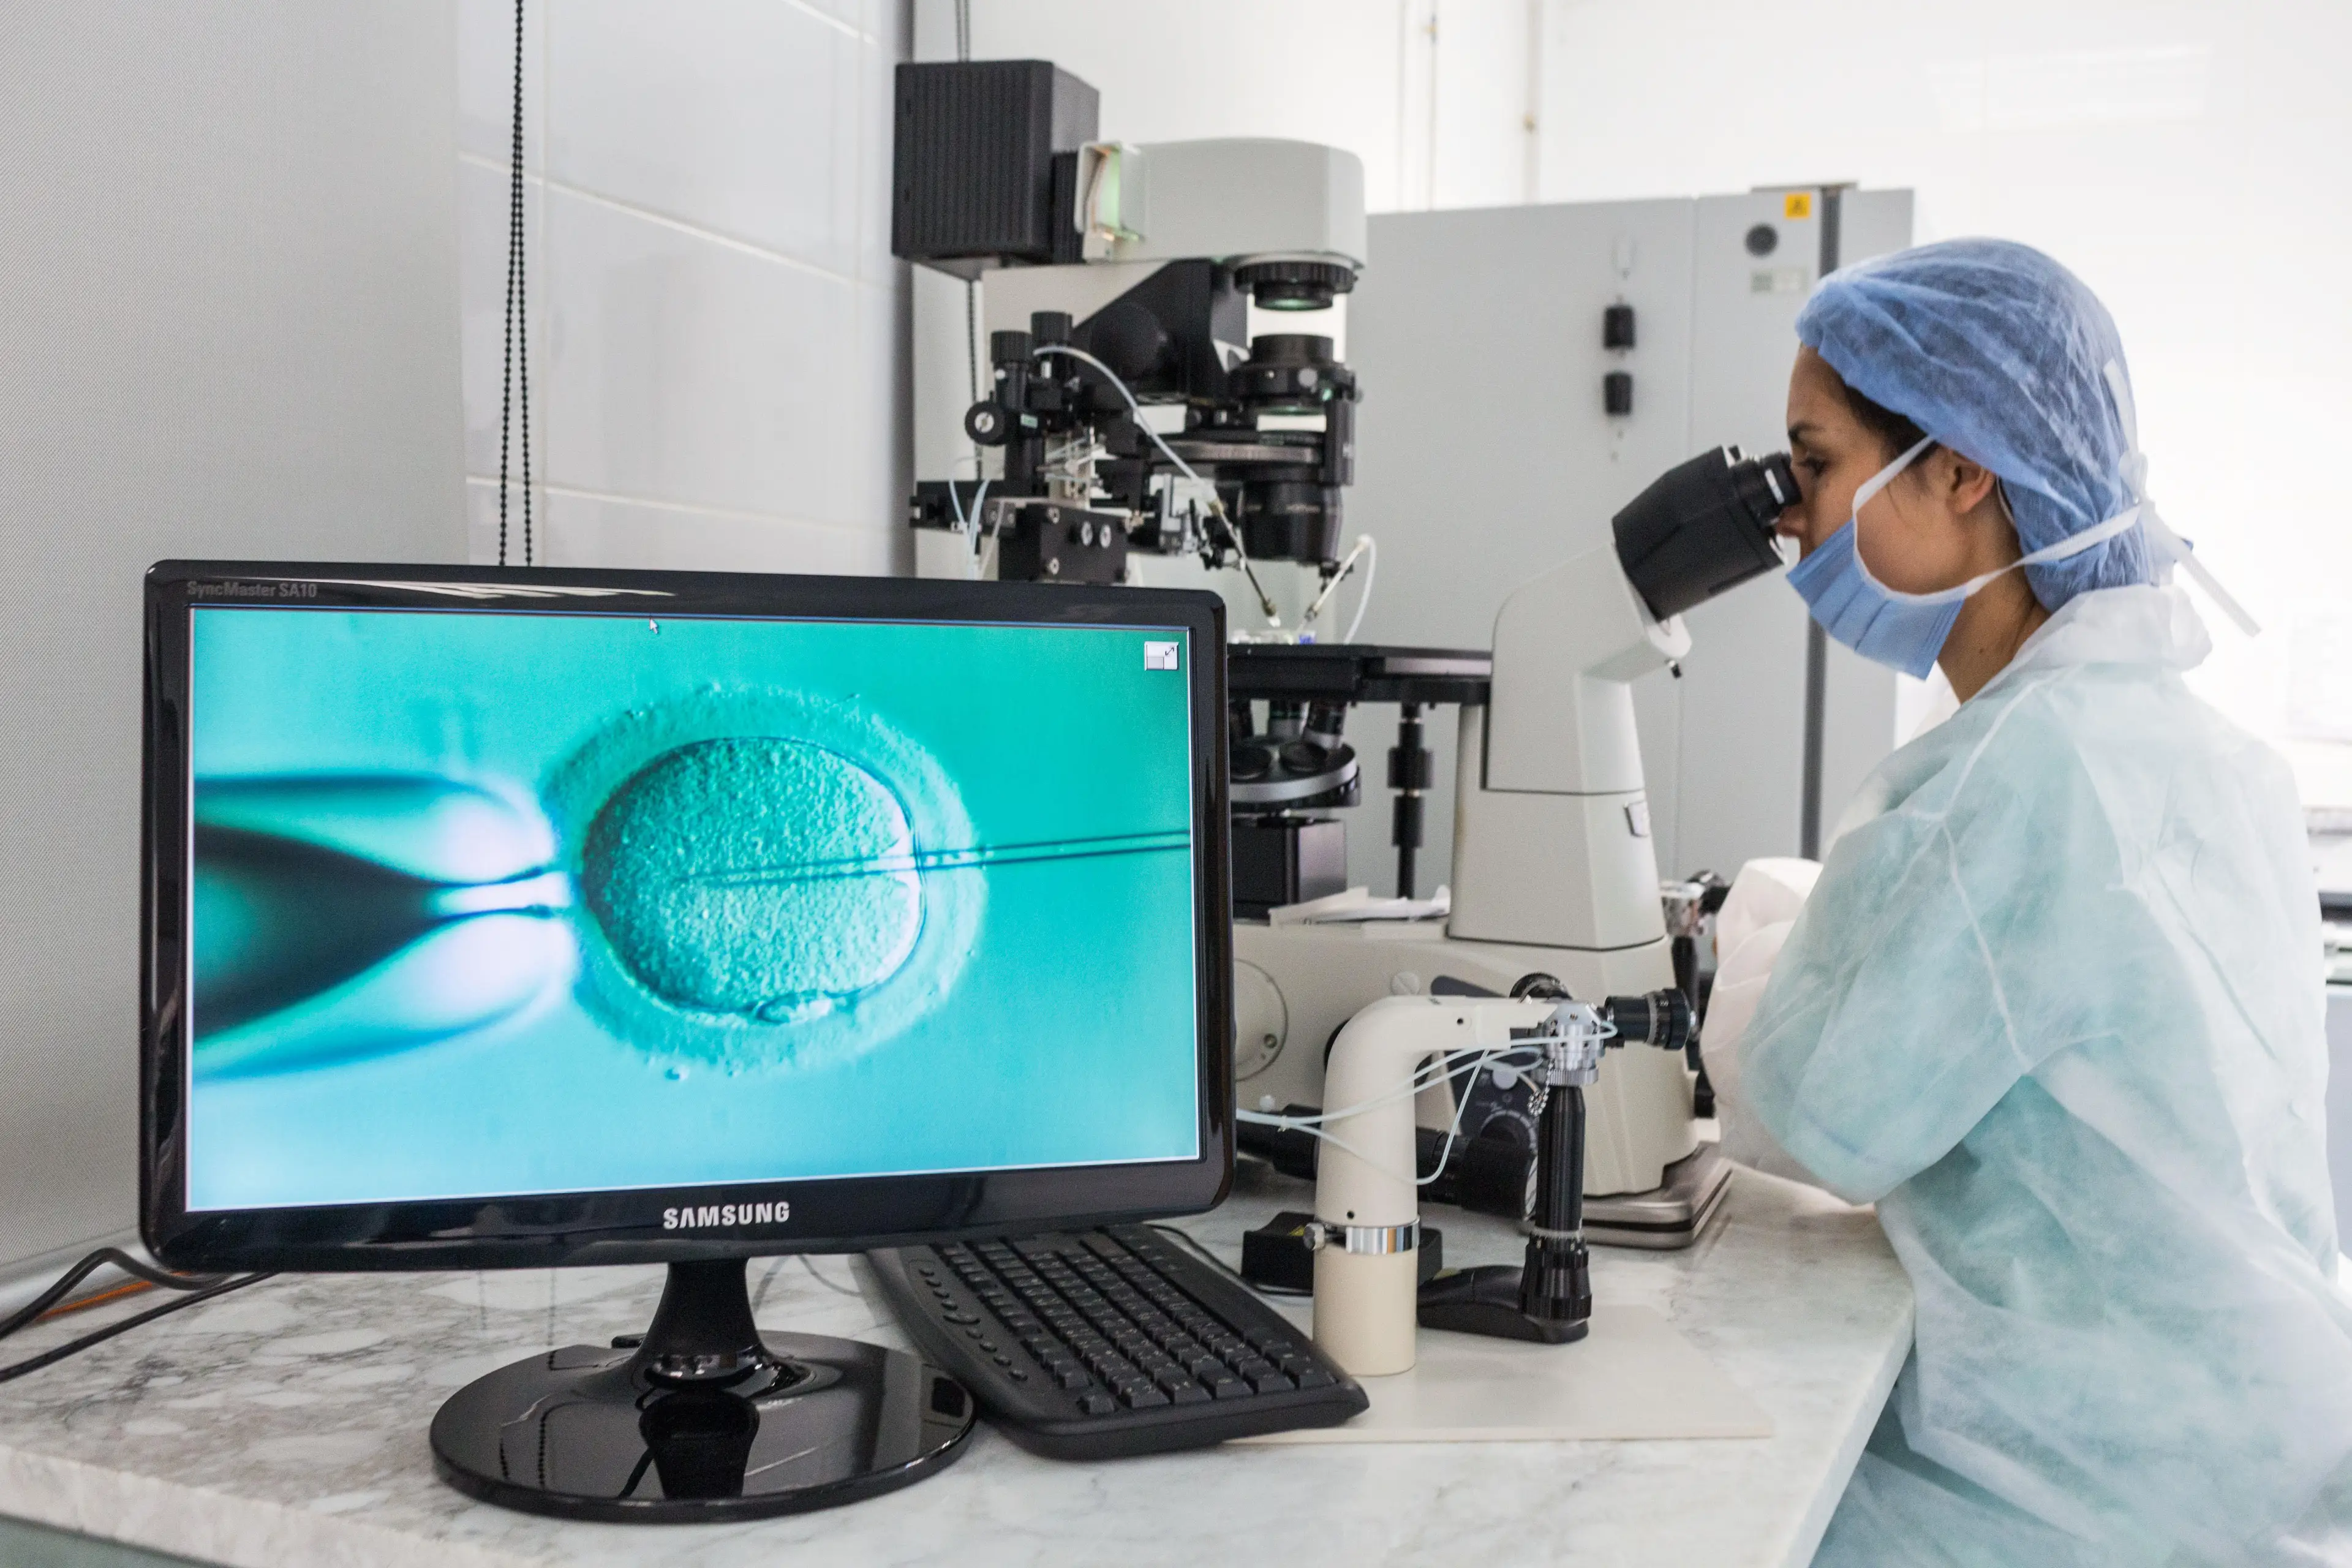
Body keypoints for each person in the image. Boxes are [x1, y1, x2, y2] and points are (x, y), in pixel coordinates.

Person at [1711, 238, 2352, 1566]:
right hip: (2250, 1451)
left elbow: (1809, 1115)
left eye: (1817, 464)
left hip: (2064, 1500)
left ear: (1959, 470)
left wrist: (1754, 942)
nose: (1790, 518)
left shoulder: (2015, 779)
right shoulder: (2209, 757)